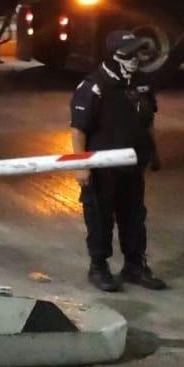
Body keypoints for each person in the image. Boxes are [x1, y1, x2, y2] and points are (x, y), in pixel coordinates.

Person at [70, 30, 165, 292]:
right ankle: (98, 268)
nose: (134, 59)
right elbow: (78, 130)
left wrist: (154, 153)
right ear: (112, 56)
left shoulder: (142, 82)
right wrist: (81, 165)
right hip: (102, 167)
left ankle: (135, 266)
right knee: (100, 218)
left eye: (138, 53)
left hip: (133, 165)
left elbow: (148, 120)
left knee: (134, 216)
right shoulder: (94, 85)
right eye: (128, 54)